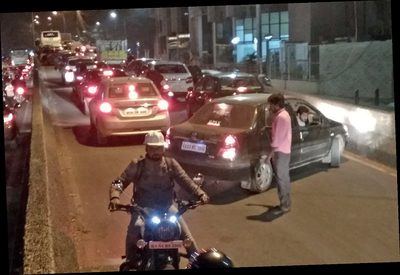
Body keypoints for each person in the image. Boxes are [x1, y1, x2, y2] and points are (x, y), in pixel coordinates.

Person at [108, 131, 210, 268]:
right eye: (152, 148)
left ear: (163, 148)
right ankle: (130, 263)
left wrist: (200, 193)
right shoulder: (137, 165)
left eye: (159, 147)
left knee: (187, 238)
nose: (156, 151)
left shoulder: (170, 164)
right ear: (146, 148)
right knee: (134, 230)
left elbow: (186, 181)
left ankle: (197, 265)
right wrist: (115, 197)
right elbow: (119, 182)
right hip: (142, 208)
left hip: (167, 207)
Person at [265, 93, 292, 215]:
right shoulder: (285, 115)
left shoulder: (280, 117)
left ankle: (285, 205)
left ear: (276, 105)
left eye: (270, 105)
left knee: (282, 180)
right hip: (285, 151)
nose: (269, 107)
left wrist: (269, 155)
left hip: (280, 152)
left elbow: (277, 140)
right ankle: (285, 203)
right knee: (284, 179)